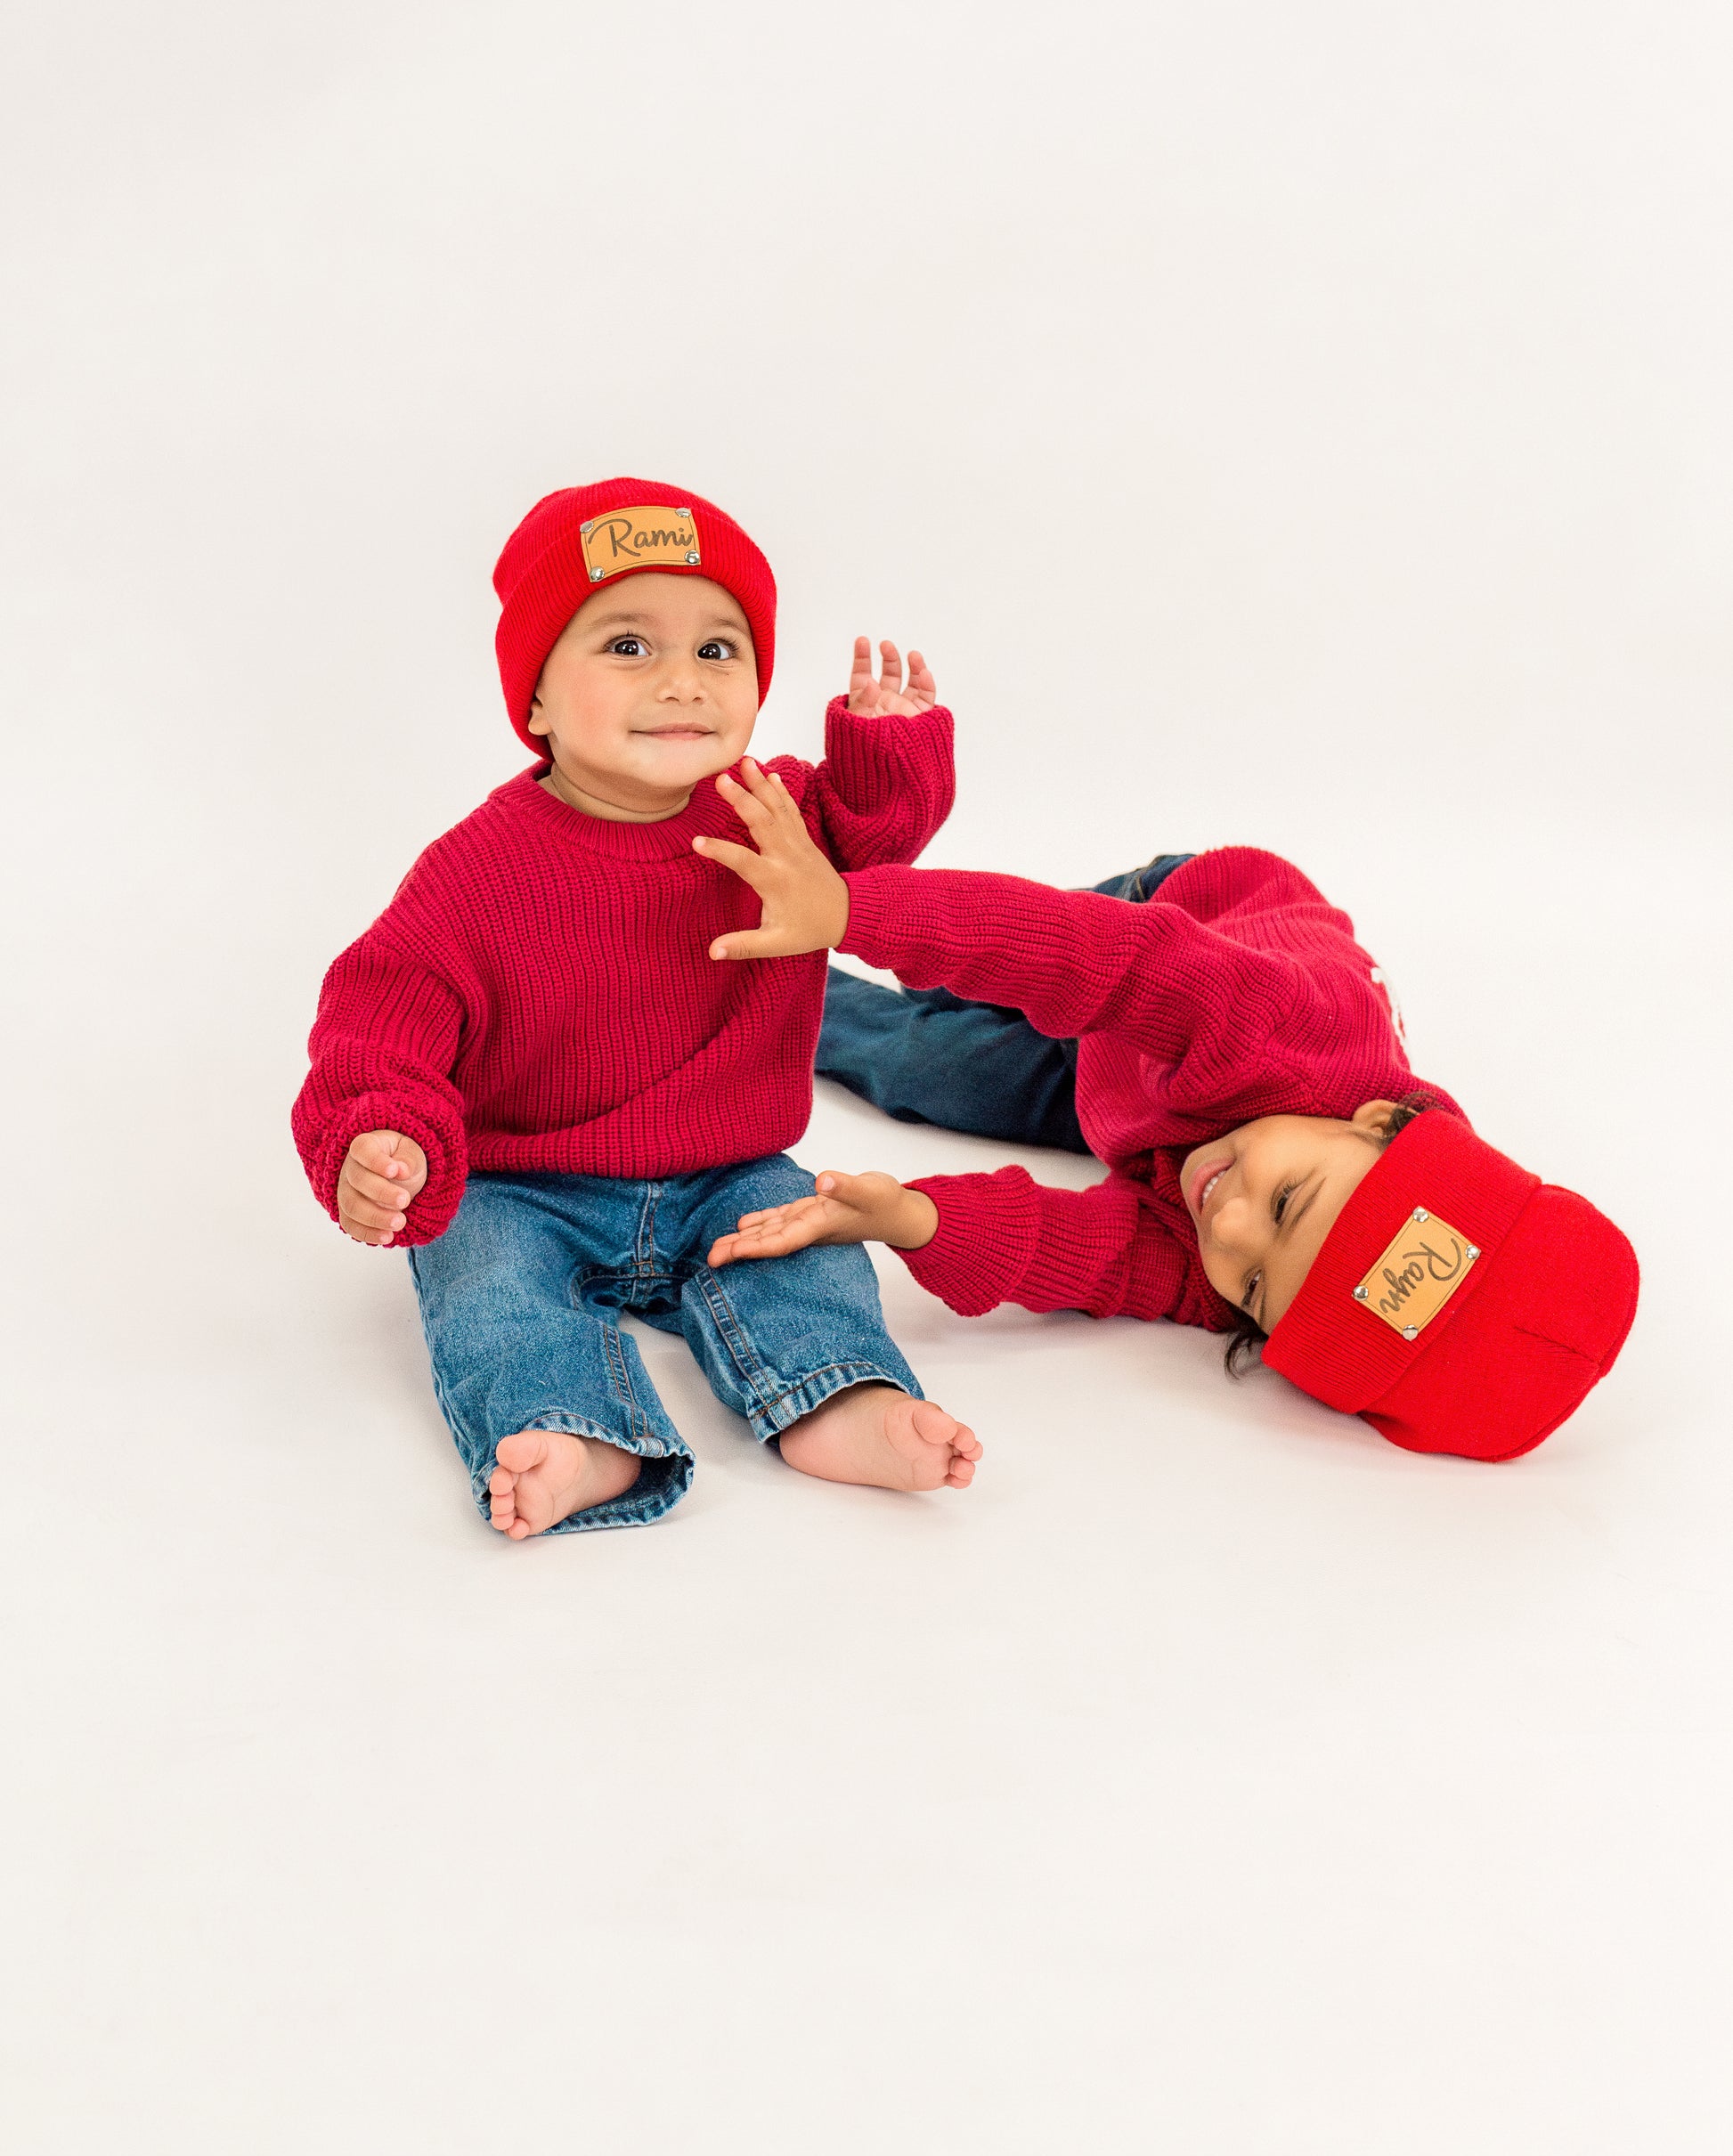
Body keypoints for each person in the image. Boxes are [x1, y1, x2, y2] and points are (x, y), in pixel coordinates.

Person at [291, 481, 981, 1538]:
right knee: (486, 1282)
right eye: (626, 646)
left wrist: (884, 749)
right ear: (533, 704)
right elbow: (380, 1020)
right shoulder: (475, 873)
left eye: (718, 651)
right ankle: (573, 1434)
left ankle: (841, 1397)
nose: (680, 681)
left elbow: (869, 848)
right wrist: (380, 1136)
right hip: (526, 1184)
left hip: (726, 1169)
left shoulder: (772, 815)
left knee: (806, 1240)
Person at [697, 775, 1639, 1461]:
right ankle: (795, 905)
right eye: (1285, 1204)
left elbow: (1096, 1257)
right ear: (1377, 1118)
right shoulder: (1277, 1027)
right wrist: (854, 911)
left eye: (1258, 1291)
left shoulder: (1228, 1254)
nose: (1225, 1225)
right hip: (1175, 928)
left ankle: (705, 986)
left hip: (1138, 1111)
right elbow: (1092, 960)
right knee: (1000, 977)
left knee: (927, 1067)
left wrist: (911, 1218)